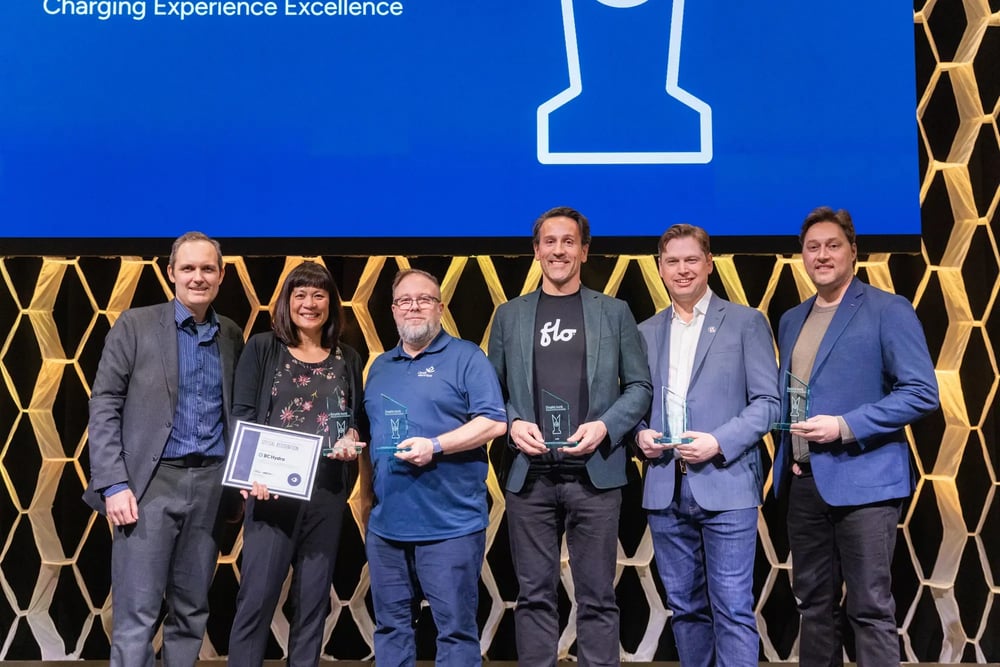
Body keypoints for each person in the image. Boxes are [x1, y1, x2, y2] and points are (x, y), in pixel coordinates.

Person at [772, 207, 939, 667]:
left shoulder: (888, 309)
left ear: (853, 252)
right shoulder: (791, 319)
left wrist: (845, 426)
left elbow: (922, 393)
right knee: (814, 607)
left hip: (864, 482)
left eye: (832, 246)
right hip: (804, 483)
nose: (821, 255)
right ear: (801, 256)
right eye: (812, 247)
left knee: (869, 608)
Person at [487, 206, 652, 667]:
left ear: (584, 250)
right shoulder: (509, 316)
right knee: (534, 595)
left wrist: (605, 427)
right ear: (536, 250)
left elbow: (639, 387)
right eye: (550, 241)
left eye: (568, 241)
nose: (559, 250)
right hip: (529, 475)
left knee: (598, 596)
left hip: (595, 475)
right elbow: (489, 392)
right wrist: (513, 422)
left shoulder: (614, 312)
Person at [83, 231, 244, 667]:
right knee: (137, 615)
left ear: (221, 275)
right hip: (146, 487)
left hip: (210, 485)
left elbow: (238, 415)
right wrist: (113, 482)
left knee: (192, 612)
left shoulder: (230, 333)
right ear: (171, 272)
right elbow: (104, 405)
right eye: (188, 268)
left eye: (207, 268)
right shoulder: (134, 325)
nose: (198, 277)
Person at [634, 224, 779, 666]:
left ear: (709, 263)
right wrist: (640, 434)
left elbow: (769, 404)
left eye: (691, 260)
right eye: (672, 261)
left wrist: (719, 440)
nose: (682, 270)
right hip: (664, 488)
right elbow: (635, 400)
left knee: (733, 609)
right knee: (686, 610)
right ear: (660, 268)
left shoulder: (744, 322)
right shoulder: (644, 331)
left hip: (726, 484)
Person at [363, 268, 507, 666]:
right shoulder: (380, 367)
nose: (414, 307)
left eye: (424, 299)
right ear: (393, 310)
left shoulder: (466, 357)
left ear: (440, 307)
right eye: (405, 301)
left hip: (450, 527)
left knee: (456, 633)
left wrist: (437, 446)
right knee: (391, 629)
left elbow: (494, 421)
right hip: (387, 528)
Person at [228, 262, 366, 666]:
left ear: (331, 303)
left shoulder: (349, 357)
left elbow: (355, 421)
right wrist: (250, 473)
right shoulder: (263, 347)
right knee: (256, 602)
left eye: (319, 294)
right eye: (300, 294)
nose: (310, 303)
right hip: (271, 493)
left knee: (312, 605)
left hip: (326, 495)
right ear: (286, 302)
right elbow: (242, 413)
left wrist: (351, 439)